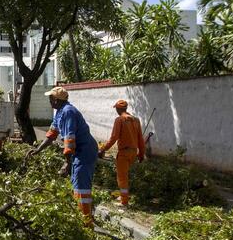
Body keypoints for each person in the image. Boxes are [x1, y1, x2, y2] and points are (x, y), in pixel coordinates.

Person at [25, 86, 98, 228]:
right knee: (76, 183)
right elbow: (52, 134)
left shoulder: (68, 112)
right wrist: (37, 150)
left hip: (85, 150)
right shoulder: (59, 112)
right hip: (79, 151)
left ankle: (86, 223)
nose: (49, 100)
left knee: (81, 185)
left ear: (56, 100)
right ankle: (83, 217)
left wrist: (67, 164)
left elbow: (69, 140)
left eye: (50, 98)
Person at [98, 99, 145, 207]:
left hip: (123, 153)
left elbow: (114, 138)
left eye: (116, 109)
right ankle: (125, 196)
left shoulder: (119, 120)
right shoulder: (136, 120)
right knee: (127, 176)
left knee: (122, 177)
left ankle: (124, 202)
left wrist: (103, 149)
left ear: (118, 109)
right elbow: (140, 139)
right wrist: (141, 154)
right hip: (133, 152)